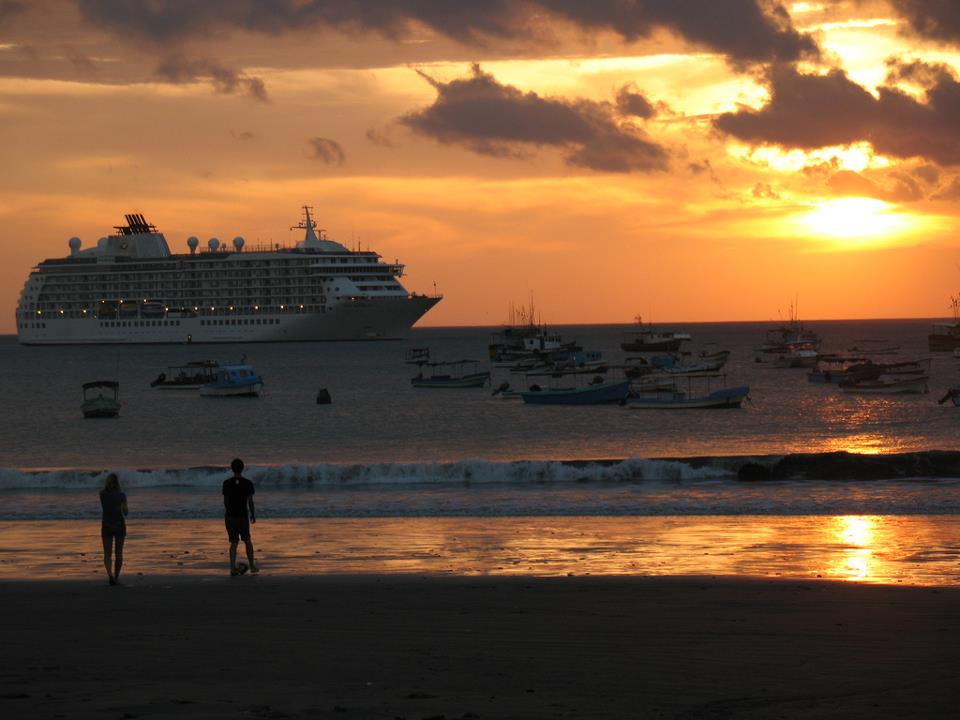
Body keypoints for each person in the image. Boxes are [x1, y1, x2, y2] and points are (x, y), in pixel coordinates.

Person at [223, 457, 257, 576]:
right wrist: (253, 514)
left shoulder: (226, 483)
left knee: (233, 542)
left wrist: (228, 512)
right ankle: (252, 566)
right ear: (242, 469)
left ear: (232, 469)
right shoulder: (247, 483)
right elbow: (250, 502)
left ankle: (232, 568)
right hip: (242, 516)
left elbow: (226, 501)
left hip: (230, 516)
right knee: (247, 540)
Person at [99, 473, 127, 586]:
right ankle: (116, 577)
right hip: (119, 524)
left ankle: (110, 575)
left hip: (106, 525)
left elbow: (106, 507)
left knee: (107, 554)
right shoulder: (122, 495)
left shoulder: (102, 494)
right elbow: (125, 512)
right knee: (119, 553)